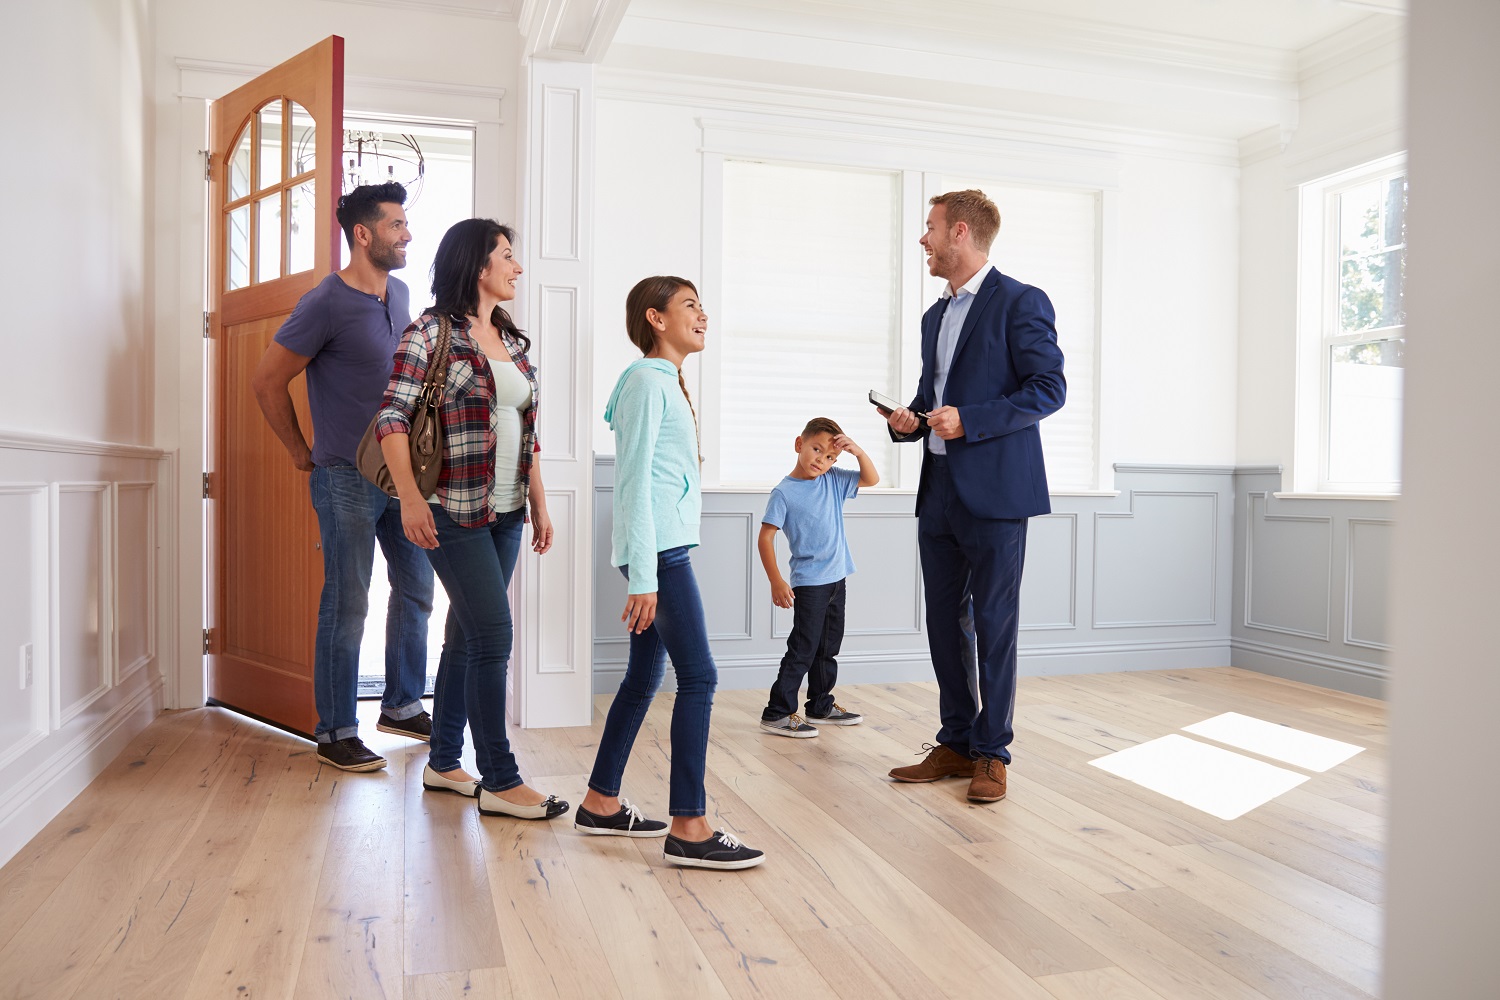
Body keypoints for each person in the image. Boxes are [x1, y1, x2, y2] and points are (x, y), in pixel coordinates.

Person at [374, 219, 564, 820]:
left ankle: (443, 762)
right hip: (450, 509)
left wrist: (537, 500)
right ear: (479, 265)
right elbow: (392, 420)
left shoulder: (511, 338)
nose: (518, 267)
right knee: (492, 635)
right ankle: (501, 780)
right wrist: (408, 498)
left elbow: (525, 432)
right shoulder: (431, 331)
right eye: (508, 256)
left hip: (505, 508)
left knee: (465, 634)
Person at [881, 189, 1065, 804]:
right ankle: (957, 741)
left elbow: (1049, 389)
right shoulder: (936, 315)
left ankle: (993, 753)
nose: (924, 241)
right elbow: (933, 394)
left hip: (996, 493)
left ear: (960, 232)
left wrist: (971, 421)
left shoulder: (1020, 301)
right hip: (938, 492)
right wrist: (908, 419)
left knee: (994, 625)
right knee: (942, 623)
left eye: (929, 229)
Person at [576, 276, 765, 868]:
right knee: (700, 678)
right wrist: (643, 577)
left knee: (641, 678)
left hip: (659, 551)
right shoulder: (644, 384)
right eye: (689, 305)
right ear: (656, 319)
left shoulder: (662, 383)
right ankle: (689, 825)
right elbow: (632, 482)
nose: (702, 314)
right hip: (659, 556)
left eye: (702, 305)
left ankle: (600, 801)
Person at [251, 181, 435, 773]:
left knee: (416, 589)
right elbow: (266, 381)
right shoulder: (324, 302)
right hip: (345, 476)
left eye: (406, 225)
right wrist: (300, 450)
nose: (407, 234)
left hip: (402, 477)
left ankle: (403, 704)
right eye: (395, 225)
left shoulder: (401, 293)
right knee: (348, 601)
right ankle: (334, 729)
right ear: (363, 233)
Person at [757, 417, 879, 737]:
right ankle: (778, 712)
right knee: (804, 647)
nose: (821, 461)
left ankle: (820, 704)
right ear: (799, 444)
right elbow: (765, 537)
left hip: (838, 578)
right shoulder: (784, 493)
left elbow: (872, 479)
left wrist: (857, 451)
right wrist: (776, 580)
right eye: (816, 450)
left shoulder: (833, 479)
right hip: (810, 582)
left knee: (828, 647)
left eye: (830, 457)